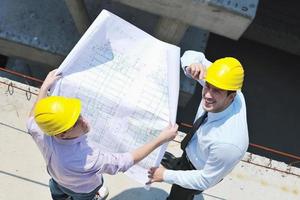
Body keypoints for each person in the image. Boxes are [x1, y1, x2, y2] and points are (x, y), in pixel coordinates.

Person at [27, 69, 178, 200]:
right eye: (75, 122)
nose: (84, 120)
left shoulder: (42, 133)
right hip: (82, 190)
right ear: (62, 134)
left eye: (78, 114)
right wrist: (160, 139)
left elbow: (32, 119)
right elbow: (126, 161)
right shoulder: (87, 159)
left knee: (58, 193)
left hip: (57, 180)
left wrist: (44, 87)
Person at [147, 50, 249, 200]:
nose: (207, 95)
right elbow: (193, 55)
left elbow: (205, 179)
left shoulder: (228, 143)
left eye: (216, 91)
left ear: (231, 96)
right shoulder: (225, 85)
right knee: (179, 162)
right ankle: (178, 163)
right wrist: (192, 65)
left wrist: (164, 175)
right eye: (207, 86)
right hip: (192, 152)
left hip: (197, 170)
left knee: (178, 196)